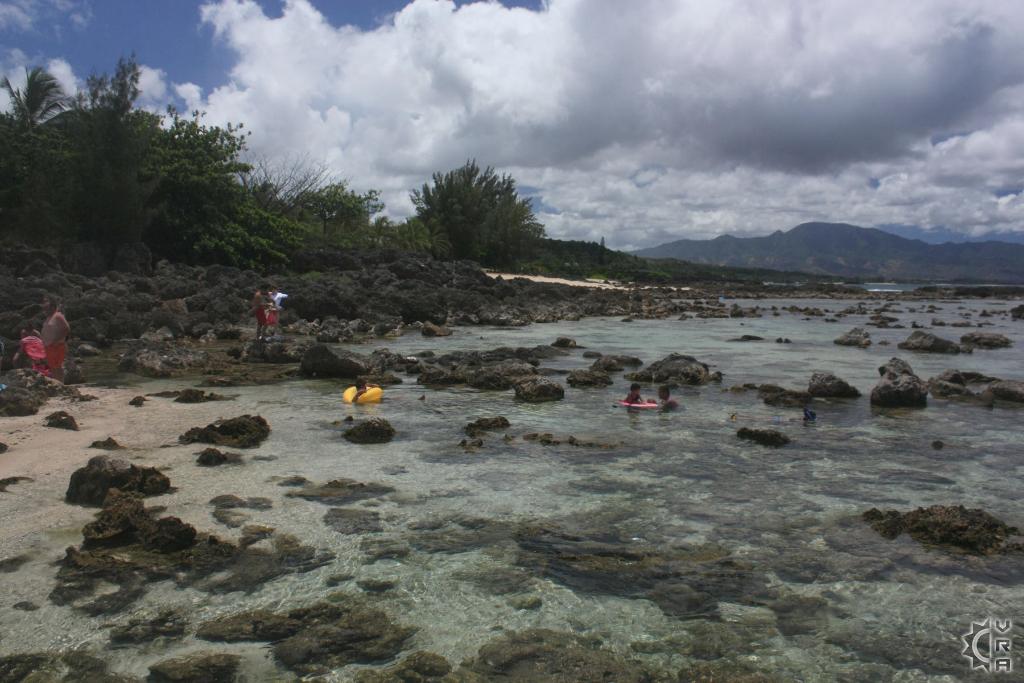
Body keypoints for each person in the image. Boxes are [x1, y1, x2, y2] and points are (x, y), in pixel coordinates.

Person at [40, 295, 70, 383]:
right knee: (52, 367)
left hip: (56, 346)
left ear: (52, 306)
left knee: (57, 367)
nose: (44, 307)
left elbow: (66, 329)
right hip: (48, 346)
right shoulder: (49, 317)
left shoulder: (58, 316)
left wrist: (56, 341)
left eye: (46, 304)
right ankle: (57, 384)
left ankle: (61, 384)